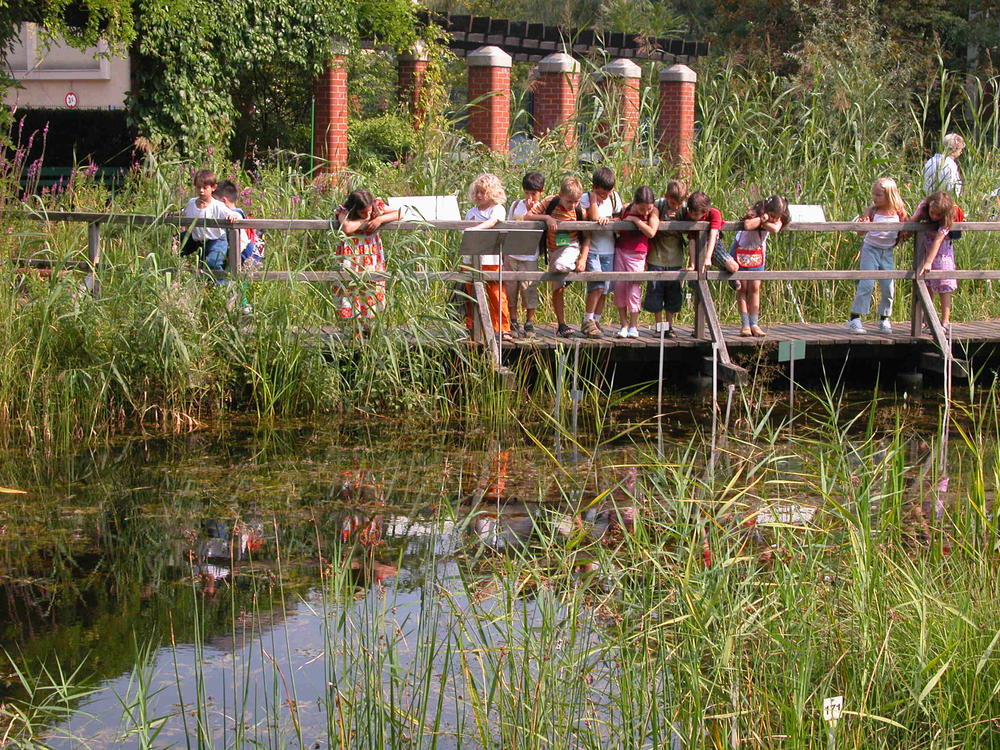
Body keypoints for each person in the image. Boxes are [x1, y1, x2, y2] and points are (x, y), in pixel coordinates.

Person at [524, 176, 590, 338]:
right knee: (557, 288)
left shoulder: (580, 210)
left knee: (561, 266)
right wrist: (547, 218)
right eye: (569, 201)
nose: (572, 205)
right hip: (553, 249)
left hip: (571, 246)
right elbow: (528, 216)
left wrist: (582, 259)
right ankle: (561, 324)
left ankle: (571, 269)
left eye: (576, 201)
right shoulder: (550, 202)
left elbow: (588, 236)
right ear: (560, 194)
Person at [846, 178, 909, 334]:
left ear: (890, 195)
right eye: (874, 194)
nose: (875, 198)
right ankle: (854, 318)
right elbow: (860, 232)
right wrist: (864, 224)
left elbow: (906, 230)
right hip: (870, 249)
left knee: (888, 286)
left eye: (879, 195)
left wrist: (905, 233)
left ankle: (884, 318)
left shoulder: (899, 211)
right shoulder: (872, 210)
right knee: (866, 284)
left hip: (887, 252)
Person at [333, 189, 401, 320]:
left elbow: (401, 213)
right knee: (350, 288)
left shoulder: (377, 206)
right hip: (352, 257)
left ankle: (370, 325)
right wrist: (366, 222)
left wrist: (380, 219)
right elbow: (347, 227)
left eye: (369, 211)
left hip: (371, 255)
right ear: (354, 209)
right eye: (363, 212)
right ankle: (352, 328)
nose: (368, 214)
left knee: (372, 287)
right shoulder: (344, 211)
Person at [732, 195, 789, 337]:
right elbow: (747, 225)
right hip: (741, 249)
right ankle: (745, 324)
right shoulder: (755, 213)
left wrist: (762, 223)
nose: (776, 219)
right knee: (743, 288)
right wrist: (762, 219)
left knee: (755, 288)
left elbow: (775, 228)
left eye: (778, 216)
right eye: (773, 215)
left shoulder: (779, 218)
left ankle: (754, 324)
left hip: (757, 253)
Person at [463, 173, 510, 337]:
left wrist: (475, 229)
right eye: (476, 192)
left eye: (482, 192)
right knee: (470, 293)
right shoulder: (470, 212)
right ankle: (473, 325)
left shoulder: (497, 209)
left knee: (496, 293)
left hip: (490, 258)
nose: (478, 196)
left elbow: (493, 222)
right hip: (470, 258)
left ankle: (502, 328)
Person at [578, 168, 623, 338]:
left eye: (606, 194)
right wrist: (593, 199)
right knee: (596, 285)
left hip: (609, 249)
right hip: (593, 248)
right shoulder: (586, 198)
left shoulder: (614, 198)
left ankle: (597, 320)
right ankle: (587, 320)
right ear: (593, 187)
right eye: (600, 193)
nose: (603, 197)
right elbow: (594, 217)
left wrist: (611, 220)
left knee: (605, 288)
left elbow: (620, 216)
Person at [644, 180, 689, 338]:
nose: (676, 206)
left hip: (675, 259)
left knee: (673, 294)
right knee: (655, 293)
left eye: (679, 203)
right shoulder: (658, 205)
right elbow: (652, 219)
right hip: (656, 257)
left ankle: (669, 327)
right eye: (673, 202)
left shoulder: (685, 210)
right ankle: (658, 327)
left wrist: (680, 220)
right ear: (666, 197)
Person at [613, 186, 659, 338]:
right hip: (620, 250)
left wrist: (635, 220)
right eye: (641, 209)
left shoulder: (653, 212)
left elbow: (651, 232)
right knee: (619, 287)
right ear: (635, 202)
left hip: (638, 253)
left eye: (648, 209)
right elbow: (618, 223)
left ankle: (634, 325)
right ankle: (623, 324)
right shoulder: (625, 208)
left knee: (634, 288)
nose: (645, 212)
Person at [912, 191, 963, 326]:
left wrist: (929, 262)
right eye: (932, 212)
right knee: (927, 286)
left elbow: (938, 240)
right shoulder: (924, 208)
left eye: (938, 214)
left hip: (942, 254)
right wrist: (919, 211)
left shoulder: (947, 218)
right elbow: (913, 221)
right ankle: (929, 319)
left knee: (944, 287)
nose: (934, 216)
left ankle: (945, 320)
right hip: (926, 250)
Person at [505, 172, 545, 338]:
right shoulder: (515, 205)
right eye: (527, 192)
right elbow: (507, 226)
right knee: (510, 289)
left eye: (533, 193)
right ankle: (513, 320)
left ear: (541, 192)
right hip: (512, 253)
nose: (530, 197)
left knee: (529, 289)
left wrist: (532, 211)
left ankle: (529, 321)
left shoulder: (542, 207)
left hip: (529, 255)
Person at [181, 169, 240, 276]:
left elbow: (234, 214)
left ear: (213, 188)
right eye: (198, 187)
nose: (201, 191)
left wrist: (232, 216)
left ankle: (222, 285)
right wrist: (173, 214)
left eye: (205, 187)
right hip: (196, 238)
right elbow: (184, 213)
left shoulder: (217, 205)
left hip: (216, 239)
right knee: (175, 246)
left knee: (213, 262)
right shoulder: (192, 203)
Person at [214, 180, 264, 268]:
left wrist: (230, 259)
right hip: (249, 252)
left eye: (214, 201)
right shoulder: (240, 212)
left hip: (242, 253)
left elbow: (242, 241)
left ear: (223, 200)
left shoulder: (234, 216)